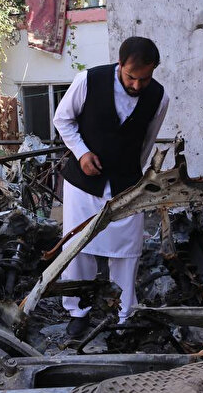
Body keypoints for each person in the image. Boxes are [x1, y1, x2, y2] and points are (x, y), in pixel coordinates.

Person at [53, 36, 169, 338]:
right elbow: (62, 120)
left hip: (127, 185)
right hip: (82, 182)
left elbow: (147, 141)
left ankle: (124, 315)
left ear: (153, 70)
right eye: (132, 77)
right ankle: (78, 311)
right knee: (78, 247)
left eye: (145, 78)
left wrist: (131, 170)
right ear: (120, 64)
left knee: (127, 251)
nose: (137, 85)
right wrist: (82, 153)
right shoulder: (88, 80)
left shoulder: (159, 97)